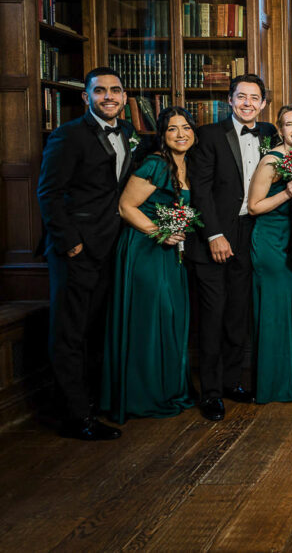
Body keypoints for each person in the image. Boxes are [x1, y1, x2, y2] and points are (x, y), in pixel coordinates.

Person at [37, 66, 136, 440]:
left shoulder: (128, 133)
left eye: (114, 90)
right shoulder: (68, 135)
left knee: (97, 331)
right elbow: (48, 193)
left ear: (124, 97)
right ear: (86, 97)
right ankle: (76, 416)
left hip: (112, 247)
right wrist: (70, 243)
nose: (108, 97)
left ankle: (93, 405)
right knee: (70, 333)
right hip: (76, 251)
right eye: (100, 91)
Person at [188, 74, 276, 421]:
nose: (248, 103)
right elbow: (201, 189)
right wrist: (213, 235)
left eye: (255, 98)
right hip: (216, 236)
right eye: (242, 97)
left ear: (263, 103)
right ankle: (210, 393)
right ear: (230, 99)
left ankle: (231, 382)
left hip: (253, 232)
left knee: (239, 313)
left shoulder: (270, 134)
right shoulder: (209, 135)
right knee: (213, 315)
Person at [101, 107, 196, 424]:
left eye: (185, 127)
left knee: (169, 317)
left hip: (170, 252)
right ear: (162, 135)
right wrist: (161, 232)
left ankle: (166, 388)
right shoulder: (156, 164)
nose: (180, 134)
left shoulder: (187, 165)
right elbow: (125, 206)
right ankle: (143, 395)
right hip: (144, 249)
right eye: (172, 129)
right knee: (149, 320)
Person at [246, 105, 292, 404]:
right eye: (289, 124)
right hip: (271, 242)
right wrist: (286, 193)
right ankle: (274, 385)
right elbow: (254, 206)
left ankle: (290, 377)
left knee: (288, 310)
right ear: (280, 130)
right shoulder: (271, 160)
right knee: (274, 310)